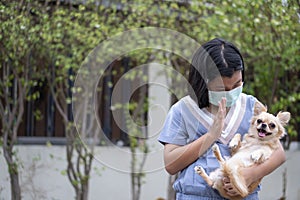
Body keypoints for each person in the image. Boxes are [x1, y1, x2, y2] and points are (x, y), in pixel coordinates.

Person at [158, 38, 286, 200]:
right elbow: (171, 164)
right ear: (203, 82)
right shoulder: (183, 110)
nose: (231, 92)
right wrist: (211, 136)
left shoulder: (251, 106)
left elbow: (278, 153)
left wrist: (249, 176)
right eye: (222, 89)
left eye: (237, 85)